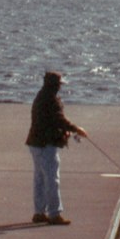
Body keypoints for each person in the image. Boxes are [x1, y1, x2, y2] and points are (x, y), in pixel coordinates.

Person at [25, 70, 84, 225]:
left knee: (39, 178)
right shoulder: (51, 100)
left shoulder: (40, 96)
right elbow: (59, 119)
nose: (59, 87)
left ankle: (39, 212)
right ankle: (54, 214)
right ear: (54, 85)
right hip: (45, 145)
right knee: (52, 179)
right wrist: (76, 129)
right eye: (58, 85)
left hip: (34, 143)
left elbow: (51, 121)